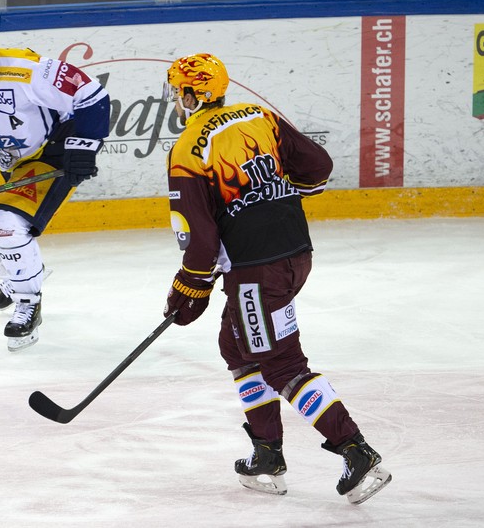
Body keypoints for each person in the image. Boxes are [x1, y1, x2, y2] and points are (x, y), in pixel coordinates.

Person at [160, 53, 391, 504]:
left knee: (282, 364)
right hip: (295, 255)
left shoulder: (189, 147)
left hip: (255, 272)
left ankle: (356, 452)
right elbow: (318, 166)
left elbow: (200, 240)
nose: (175, 99)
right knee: (237, 345)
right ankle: (267, 456)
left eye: (177, 91)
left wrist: (187, 288)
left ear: (192, 94)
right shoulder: (259, 116)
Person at [0, 4, 110, 352]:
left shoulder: (27, 70)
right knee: (5, 231)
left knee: (6, 224)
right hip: (11, 164)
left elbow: (91, 95)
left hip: (51, 153)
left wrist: (83, 146)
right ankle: (17, 277)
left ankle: (28, 301)